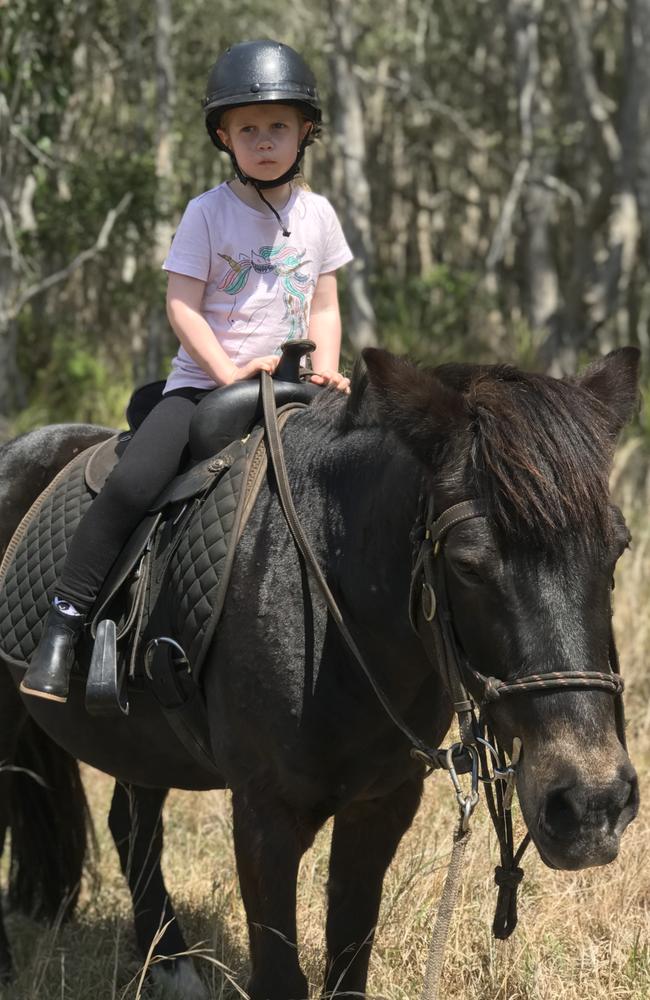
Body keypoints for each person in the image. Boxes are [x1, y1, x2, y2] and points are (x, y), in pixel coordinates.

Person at [20, 39, 353, 703]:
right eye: (249, 128)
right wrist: (229, 371)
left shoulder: (318, 215)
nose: (264, 141)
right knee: (132, 484)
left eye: (278, 126)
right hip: (205, 386)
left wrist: (328, 372)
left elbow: (326, 304)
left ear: (305, 133)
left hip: (292, 389)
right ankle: (64, 626)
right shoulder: (208, 212)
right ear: (224, 137)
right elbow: (182, 307)